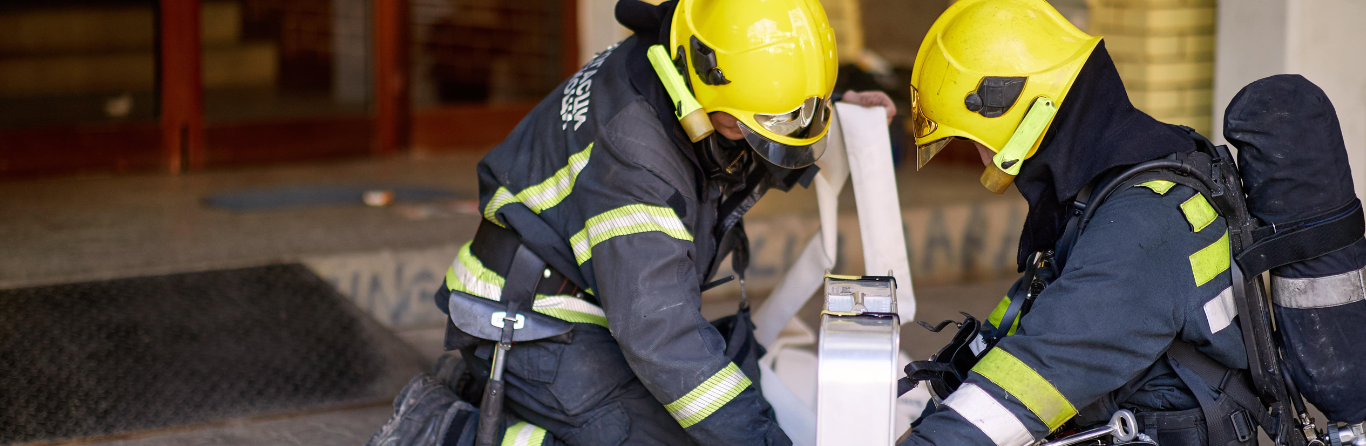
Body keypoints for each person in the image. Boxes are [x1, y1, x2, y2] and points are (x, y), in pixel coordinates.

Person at [367, 0, 896, 445]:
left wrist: (810, 117)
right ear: (703, 82)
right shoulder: (634, 155)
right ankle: (449, 430)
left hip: (591, 297)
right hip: (536, 318)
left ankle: (489, 391)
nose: (754, 138)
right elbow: (663, 338)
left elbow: (737, 136)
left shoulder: (682, 58)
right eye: (749, 125)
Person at [899, 1, 1260, 445]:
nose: (978, 158)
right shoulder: (1121, 170)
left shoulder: (1142, 226)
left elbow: (1037, 373)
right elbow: (1033, 326)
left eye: (973, 138)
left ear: (1020, 115)